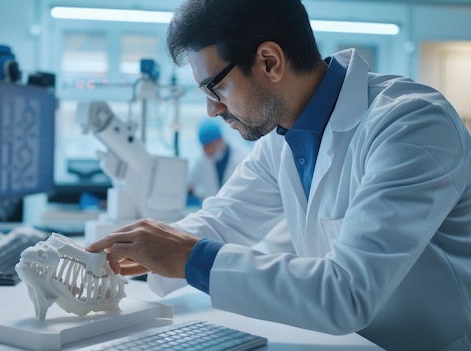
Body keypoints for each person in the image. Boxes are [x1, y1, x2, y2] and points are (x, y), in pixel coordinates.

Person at [86, 0, 471, 350]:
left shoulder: (411, 124)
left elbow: (347, 293)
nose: (211, 110)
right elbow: (222, 222)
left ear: (270, 61)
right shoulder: (281, 139)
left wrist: (188, 257)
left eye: (215, 88)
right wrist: (137, 254)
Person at [188, 119, 249, 202]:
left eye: (209, 145)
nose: (206, 150)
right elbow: (190, 185)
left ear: (221, 140)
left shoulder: (243, 157)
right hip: (211, 210)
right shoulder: (201, 162)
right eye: (204, 146)